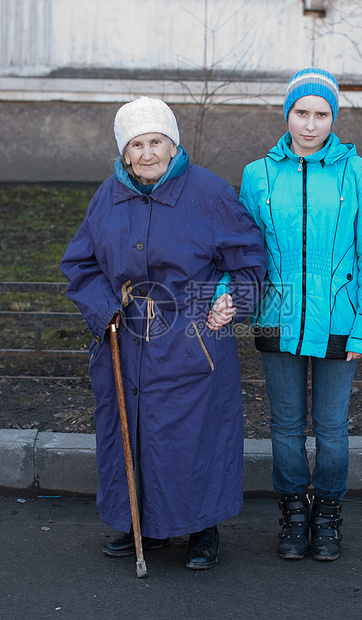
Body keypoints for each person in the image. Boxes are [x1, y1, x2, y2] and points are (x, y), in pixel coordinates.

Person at [60, 96, 266, 570]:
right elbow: (80, 263)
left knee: (193, 437)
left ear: (173, 146)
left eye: (157, 141)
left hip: (192, 338)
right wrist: (103, 309)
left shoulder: (209, 192)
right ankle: (142, 525)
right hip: (125, 338)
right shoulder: (107, 195)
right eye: (137, 144)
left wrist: (234, 299)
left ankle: (202, 529)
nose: (147, 153)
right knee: (131, 430)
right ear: (124, 152)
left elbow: (250, 261)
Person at [239, 68, 362, 561]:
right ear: (287, 115)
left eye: (321, 114)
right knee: (283, 425)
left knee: (331, 426)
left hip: (339, 321)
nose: (310, 124)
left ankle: (326, 512)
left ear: (334, 117)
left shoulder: (355, 171)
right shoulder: (259, 173)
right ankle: (293, 511)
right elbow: (243, 250)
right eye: (301, 113)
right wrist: (229, 298)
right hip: (275, 316)